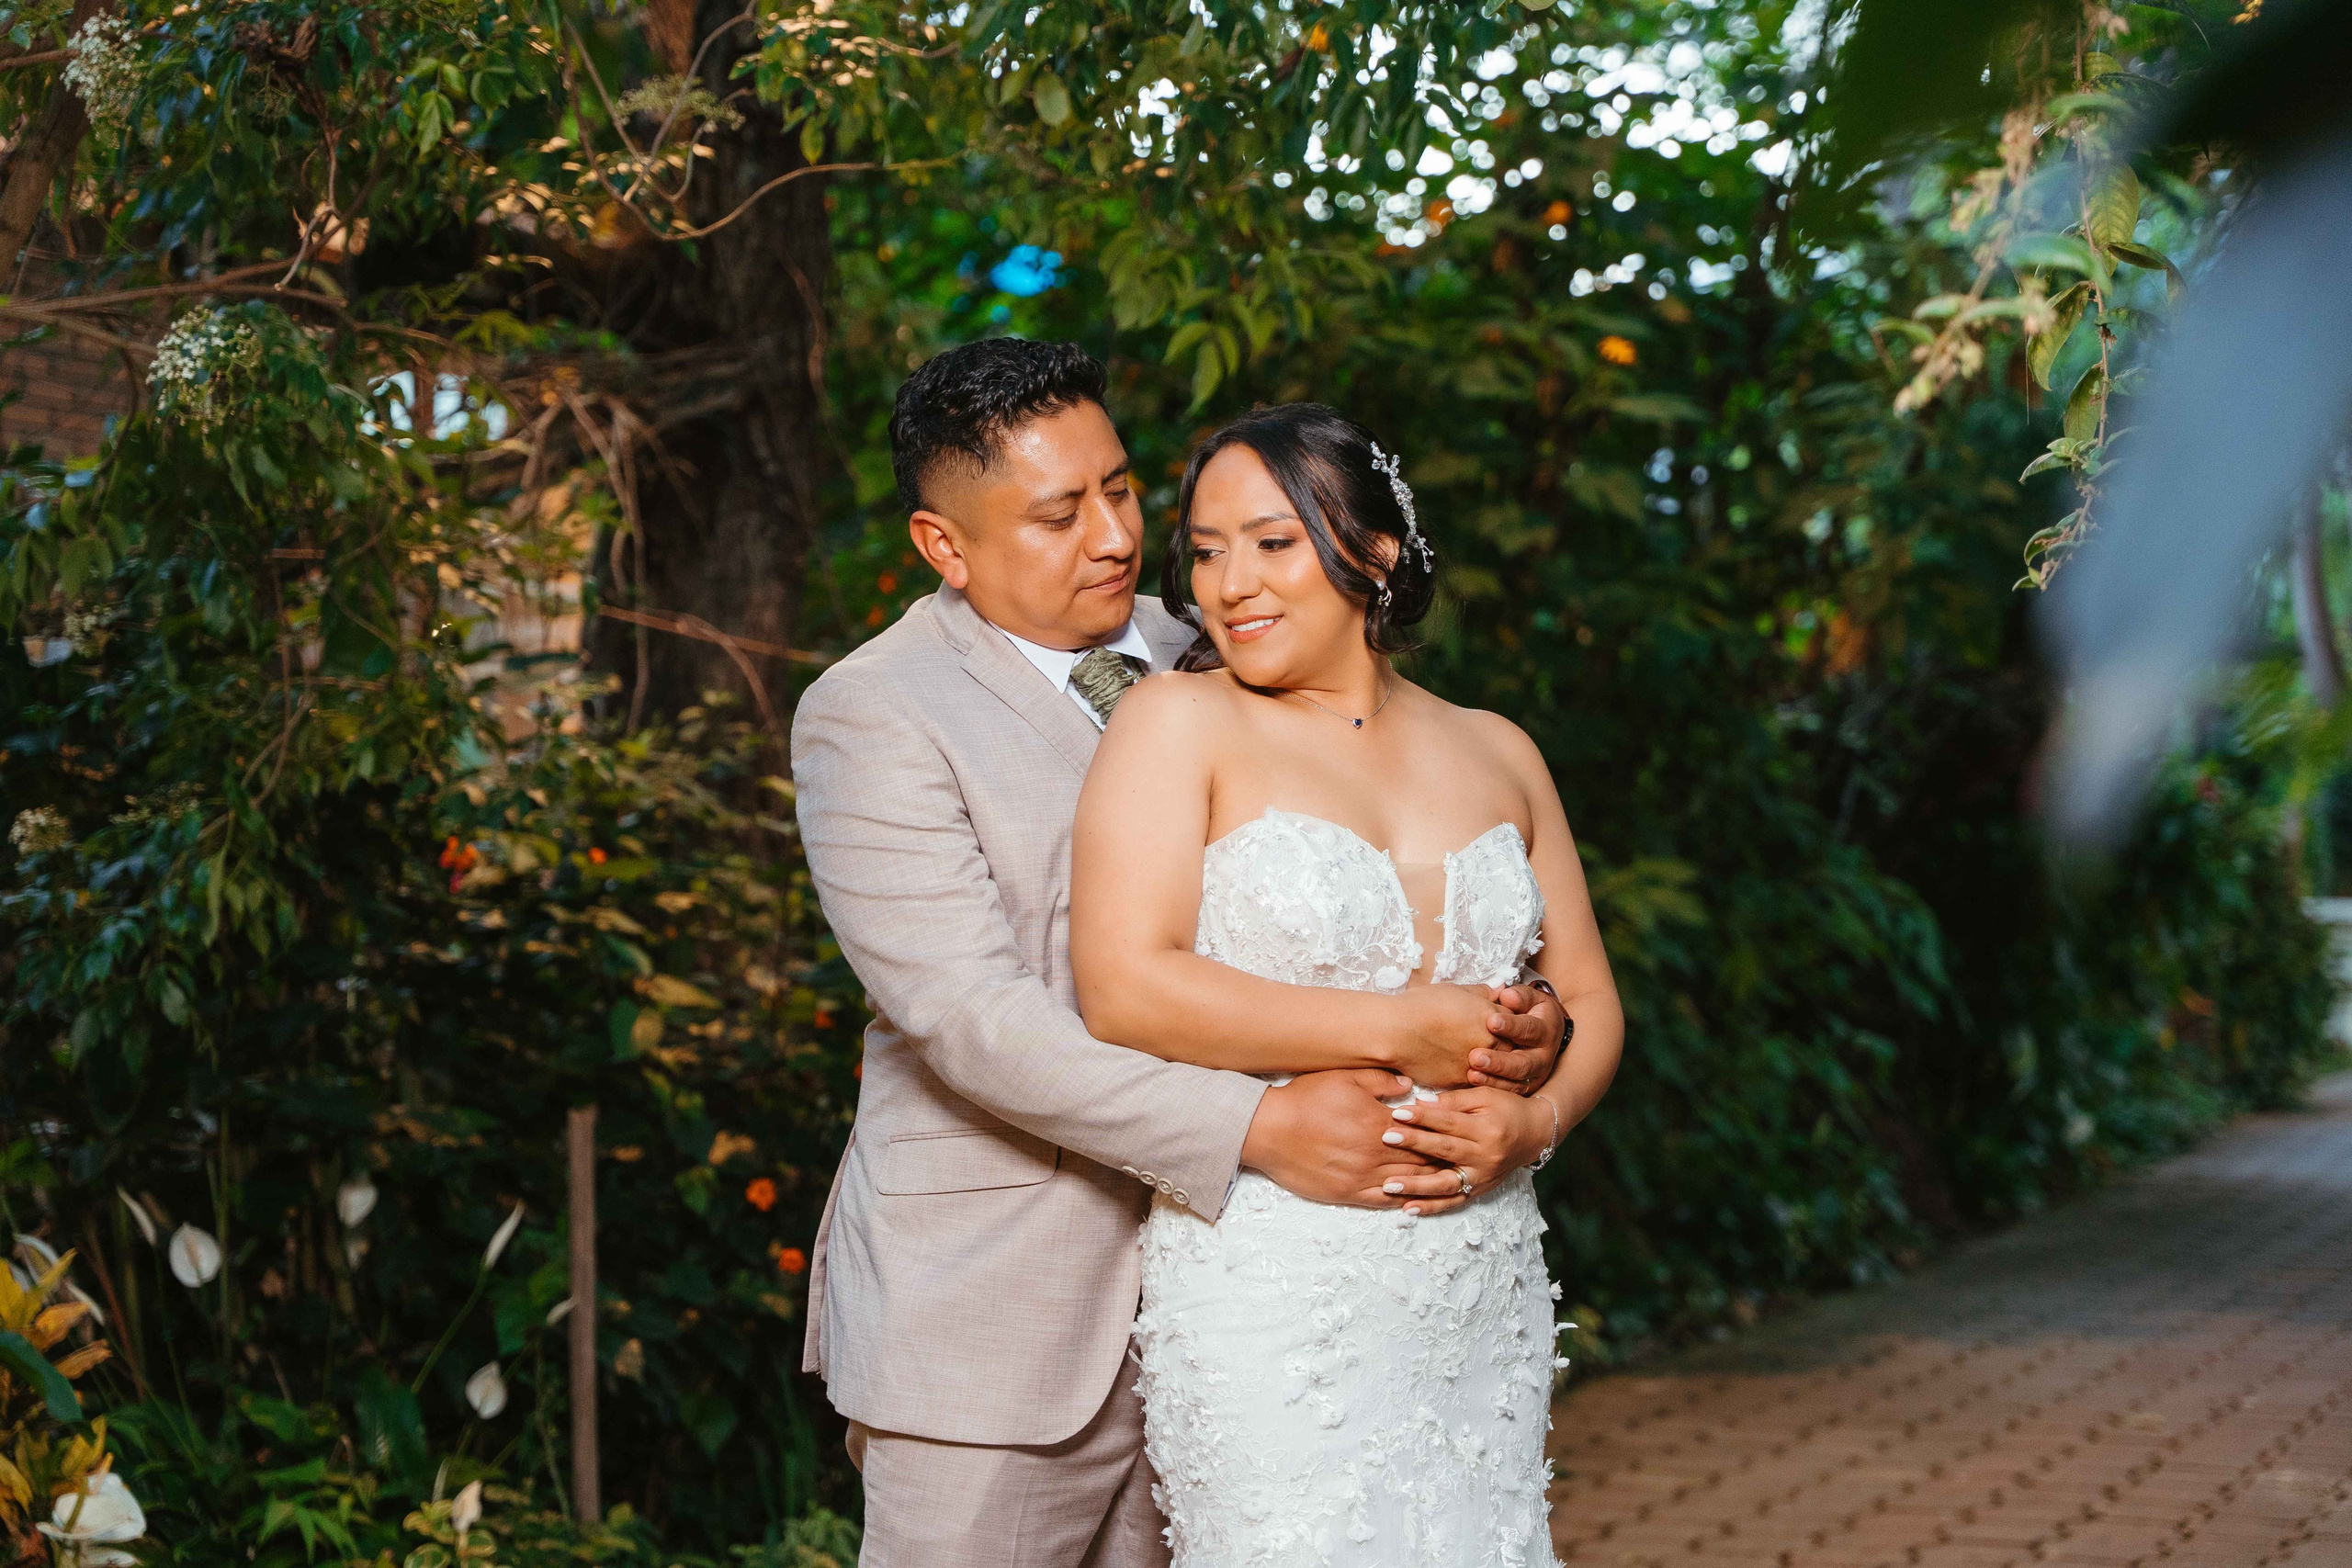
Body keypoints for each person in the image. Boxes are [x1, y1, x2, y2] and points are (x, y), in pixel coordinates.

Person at [790, 341, 1570, 1567]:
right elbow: (970, 1018)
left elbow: (1394, 830)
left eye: (1120, 489)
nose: (1112, 536)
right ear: (946, 545)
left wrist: (1526, 1020)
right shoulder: (873, 710)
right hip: (1003, 1302)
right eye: (1058, 513)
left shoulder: (1227, 630)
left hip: (1254, 1302)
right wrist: (1252, 1129)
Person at [1069, 402, 1624, 1566]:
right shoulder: (1175, 724)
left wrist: (1533, 1120)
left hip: (1479, 1278)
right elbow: (1123, 986)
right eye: (1206, 550)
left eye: (1271, 543)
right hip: (1278, 1275)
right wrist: (1401, 1027)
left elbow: (1590, 997)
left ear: (1372, 553)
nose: (1229, 583)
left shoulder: (1500, 749)